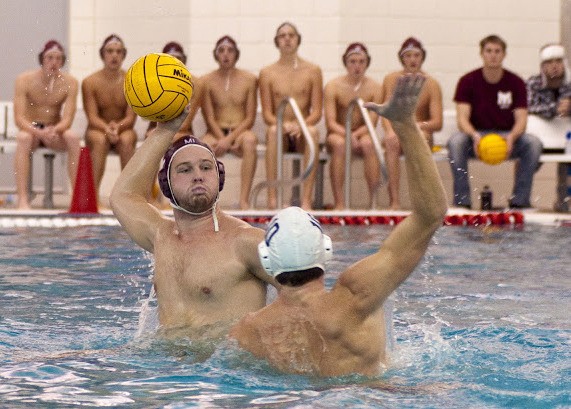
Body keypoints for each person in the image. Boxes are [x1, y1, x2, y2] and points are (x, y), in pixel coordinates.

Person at [229, 74, 448, 377]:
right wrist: (405, 124)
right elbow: (431, 214)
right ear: (325, 249)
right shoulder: (357, 295)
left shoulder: (249, 333)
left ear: (266, 258)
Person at [109, 107, 277, 339]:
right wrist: (164, 131)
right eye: (185, 170)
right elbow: (122, 196)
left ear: (219, 178)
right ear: (166, 185)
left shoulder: (246, 242)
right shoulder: (161, 236)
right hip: (166, 368)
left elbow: (305, 297)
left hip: (223, 371)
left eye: (206, 167)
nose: (198, 175)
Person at [447, 34, 543, 209]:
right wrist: (475, 136)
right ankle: (463, 202)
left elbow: (522, 119)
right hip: (476, 137)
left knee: (533, 144)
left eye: (497, 51)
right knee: (455, 142)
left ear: (504, 54)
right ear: (482, 54)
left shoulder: (516, 82)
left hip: (507, 137)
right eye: (489, 51)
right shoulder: (467, 81)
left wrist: (512, 137)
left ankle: (520, 202)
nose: (493, 55)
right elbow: (462, 119)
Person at [259, 22, 323, 210]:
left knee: (312, 132)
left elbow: (317, 112)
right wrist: (283, 125)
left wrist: (300, 125)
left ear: (298, 40)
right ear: (277, 41)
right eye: (282, 36)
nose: (287, 38)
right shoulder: (267, 73)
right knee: (272, 131)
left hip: (302, 131)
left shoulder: (313, 71)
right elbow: (268, 114)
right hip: (280, 130)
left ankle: (306, 200)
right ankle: (273, 199)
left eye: (291, 35)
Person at [13, 40, 81, 210]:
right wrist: (38, 132)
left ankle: (76, 198)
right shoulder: (24, 80)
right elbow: (19, 118)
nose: (54, 62)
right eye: (50, 57)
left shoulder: (70, 82)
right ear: (41, 59)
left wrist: (53, 130)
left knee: (73, 138)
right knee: (22, 138)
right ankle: (22, 199)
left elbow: (67, 119)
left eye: (58, 58)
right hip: (32, 130)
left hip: (54, 130)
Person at [381, 37, 443, 209]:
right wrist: (389, 131)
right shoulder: (391, 79)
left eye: (416, 55)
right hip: (399, 133)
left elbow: (437, 123)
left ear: (422, 58)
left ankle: (423, 201)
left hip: (419, 132)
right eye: (408, 56)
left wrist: (416, 126)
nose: (412, 60)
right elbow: (385, 113)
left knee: (421, 137)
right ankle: (394, 201)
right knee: (391, 140)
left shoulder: (431, 84)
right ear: (402, 59)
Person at [201, 36, 259, 210]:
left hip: (240, 131)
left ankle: (244, 200)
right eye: (221, 50)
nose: (226, 55)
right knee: (203, 147)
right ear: (216, 55)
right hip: (216, 130)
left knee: (250, 141)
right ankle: (207, 200)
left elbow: (250, 117)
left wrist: (231, 139)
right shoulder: (206, 81)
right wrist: (223, 139)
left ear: (236, 54)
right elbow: (209, 117)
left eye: (230, 50)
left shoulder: (249, 80)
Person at [324, 42, 383, 210]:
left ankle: (373, 203)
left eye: (361, 62)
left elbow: (372, 122)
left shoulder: (375, 87)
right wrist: (349, 136)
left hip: (363, 133)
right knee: (340, 144)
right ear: (345, 63)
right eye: (353, 61)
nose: (357, 66)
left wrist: (356, 136)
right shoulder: (333, 87)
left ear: (367, 63)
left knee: (369, 143)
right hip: (339, 132)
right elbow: (331, 122)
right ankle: (339, 202)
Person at [82, 34, 138, 205]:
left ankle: (128, 198)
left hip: (124, 127)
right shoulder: (90, 82)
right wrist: (107, 129)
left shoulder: (132, 80)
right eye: (110, 51)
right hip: (98, 128)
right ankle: (93, 198)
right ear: (102, 54)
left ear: (123, 55)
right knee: (99, 141)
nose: (114, 56)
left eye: (118, 52)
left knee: (127, 139)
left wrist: (117, 128)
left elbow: (130, 117)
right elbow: (92, 117)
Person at [144, 41, 204, 140]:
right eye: (169, 59)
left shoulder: (195, 84)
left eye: (178, 58)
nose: (174, 63)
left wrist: (162, 133)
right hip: (157, 129)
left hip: (182, 131)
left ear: (184, 61)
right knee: (153, 136)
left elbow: (184, 124)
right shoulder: (153, 82)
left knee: (174, 137)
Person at [526, 43, 571, 119]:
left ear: (564, 64)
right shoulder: (533, 83)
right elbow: (527, 108)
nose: (554, 66)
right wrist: (556, 108)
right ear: (542, 66)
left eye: (558, 61)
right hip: (539, 129)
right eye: (549, 62)